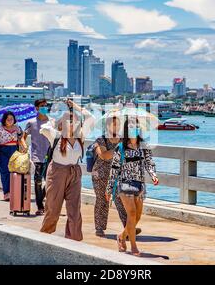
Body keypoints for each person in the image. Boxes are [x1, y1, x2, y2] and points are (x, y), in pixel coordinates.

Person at [39, 100, 95, 241]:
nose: (72, 123)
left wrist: (75, 107)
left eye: (75, 121)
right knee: (53, 208)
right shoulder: (56, 135)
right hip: (57, 172)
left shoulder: (80, 136)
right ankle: (44, 236)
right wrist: (56, 122)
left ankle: (74, 239)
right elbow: (44, 128)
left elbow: (91, 118)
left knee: (74, 210)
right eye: (69, 121)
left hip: (74, 172)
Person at [106, 117, 158, 256]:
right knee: (132, 213)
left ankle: (122, 236)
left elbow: (149, 163)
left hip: (140, 184)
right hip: (124, 183)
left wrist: (153, 175)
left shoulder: (144, 145)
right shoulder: (121, 147)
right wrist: (109, 188)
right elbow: (114, 168)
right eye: (130, 126)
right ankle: (133, 246)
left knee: (137, 216)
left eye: (135, 126)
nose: (133, 128)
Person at [92, 115, 139, 237]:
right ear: (107, 126)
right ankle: (99, 228)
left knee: (122, 201)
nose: (116, 127)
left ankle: (128, 227)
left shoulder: (122, 140)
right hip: (101, 175)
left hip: (117, 175)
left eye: (118, 124)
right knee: (102, 200)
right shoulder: (100, 140)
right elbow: (104, 155)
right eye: (113, 124)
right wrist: (119, 149)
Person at [0, 111, 24, 201]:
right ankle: (6, 193)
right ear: (4, 120)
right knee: (5, 172)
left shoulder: (17, 128)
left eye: (12, 119)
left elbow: (22, 139)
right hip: (2, 151)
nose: (10, 121)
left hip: (14, 151)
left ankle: (14, 192)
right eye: (8, 119)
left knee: (14, 172)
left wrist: (20, 134)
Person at [21, 99, 51, 216]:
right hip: (36, 155)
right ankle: (40, 206)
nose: (45, 107)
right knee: (38, 181)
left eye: (46, 105)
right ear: (36, 108)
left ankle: (43, 200)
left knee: (49, 182)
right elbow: (23, 136)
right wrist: (23, 144)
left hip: (50, 156)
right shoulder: (31, 122)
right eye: (42, 106)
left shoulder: (51, 122)